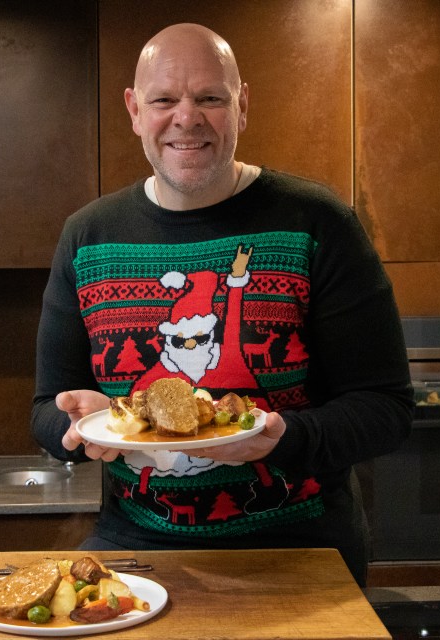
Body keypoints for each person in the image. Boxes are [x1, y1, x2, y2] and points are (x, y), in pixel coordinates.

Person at [31, 22, 413, 586]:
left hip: (299, 548)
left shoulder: (318, 223)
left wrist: (288, 437)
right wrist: (75, 425)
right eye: (165, 100)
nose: (187, 118)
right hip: (139, 547)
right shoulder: (87, 236)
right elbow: (46, 409)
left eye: (210, 97)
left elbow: (386, 409)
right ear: (135, 110)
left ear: (242, 106)